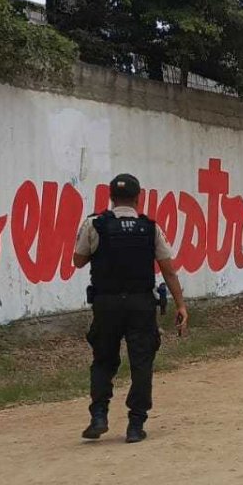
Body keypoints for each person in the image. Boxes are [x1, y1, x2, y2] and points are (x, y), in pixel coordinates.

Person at [72, 173, 187, 443]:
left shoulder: (94, 224)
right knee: (141, 363)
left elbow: (78, 261)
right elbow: (169, 271)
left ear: (111, 197)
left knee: (103, 360)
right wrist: (181, 304)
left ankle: (99, 415)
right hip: (140, 304)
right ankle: (136, 425)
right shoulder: (150, 228)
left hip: (106, 304)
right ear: (138, 199)